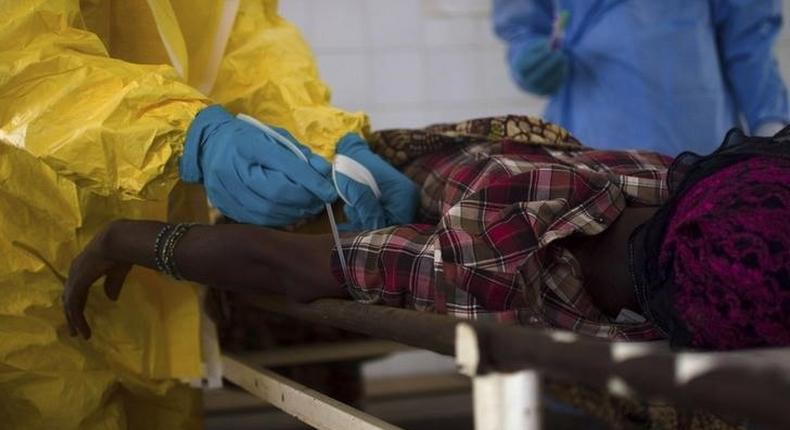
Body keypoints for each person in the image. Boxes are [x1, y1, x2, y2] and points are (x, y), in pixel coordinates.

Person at [0, 1, 414, 428]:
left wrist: (329, 140)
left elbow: (244, 47)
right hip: (22, 250)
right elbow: (19, 57)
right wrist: (184, 135)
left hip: (157, 282)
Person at [64, 116, 790, 350]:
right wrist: (126, 240)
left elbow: (292, 263)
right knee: (334, 260)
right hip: (520, 245)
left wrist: (131, 241)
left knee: (391, 207)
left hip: (551, 184)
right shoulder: (493, 267)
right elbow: (289, 266)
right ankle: (385, 185)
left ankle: (388, 178)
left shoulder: (674, 180)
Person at [493, 0, 790, 155]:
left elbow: (749, 38)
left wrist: (771, 125)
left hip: (698, 129)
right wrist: (528, 54)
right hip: (594, 128)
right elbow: (524, 23)